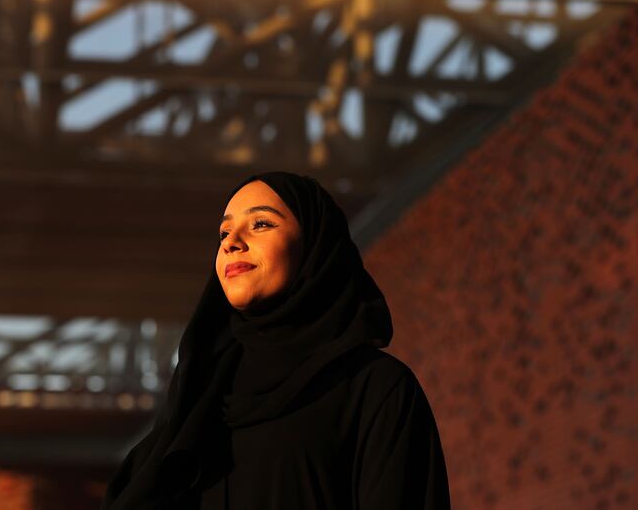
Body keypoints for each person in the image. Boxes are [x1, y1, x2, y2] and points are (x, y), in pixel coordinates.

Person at [101, 171, 450, 509]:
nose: (232, 242)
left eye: (261, 224)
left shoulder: (376, 388)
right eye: (224, 233)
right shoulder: (200, 392)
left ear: (314, 245)